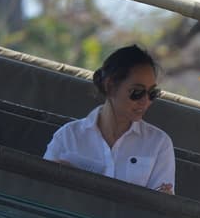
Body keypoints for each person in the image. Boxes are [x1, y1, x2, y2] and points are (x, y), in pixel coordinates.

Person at [43, 45, 175, 193]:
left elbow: (160, 208)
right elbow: (42, 192)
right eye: (137, 92)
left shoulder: (159, 143)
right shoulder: (67, 136)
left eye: (152, 93)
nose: (146, 101)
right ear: (110, 86)